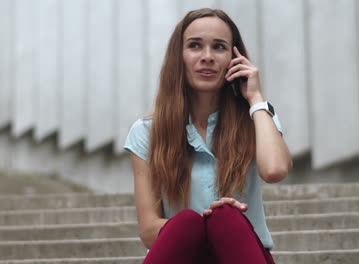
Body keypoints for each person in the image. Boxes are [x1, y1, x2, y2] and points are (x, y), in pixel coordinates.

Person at [124, 8, 292, 264]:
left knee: (226, 217)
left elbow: (275, 171)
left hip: (240, 254)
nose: (207, 57)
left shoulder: (257, 117)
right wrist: (204, 225)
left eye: (219, 47)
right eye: (194, 46)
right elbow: (148, 231)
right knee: (188, 222)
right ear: (178, 56)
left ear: (235, 59)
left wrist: (256, 99)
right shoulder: (147, 131)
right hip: (181, 254)